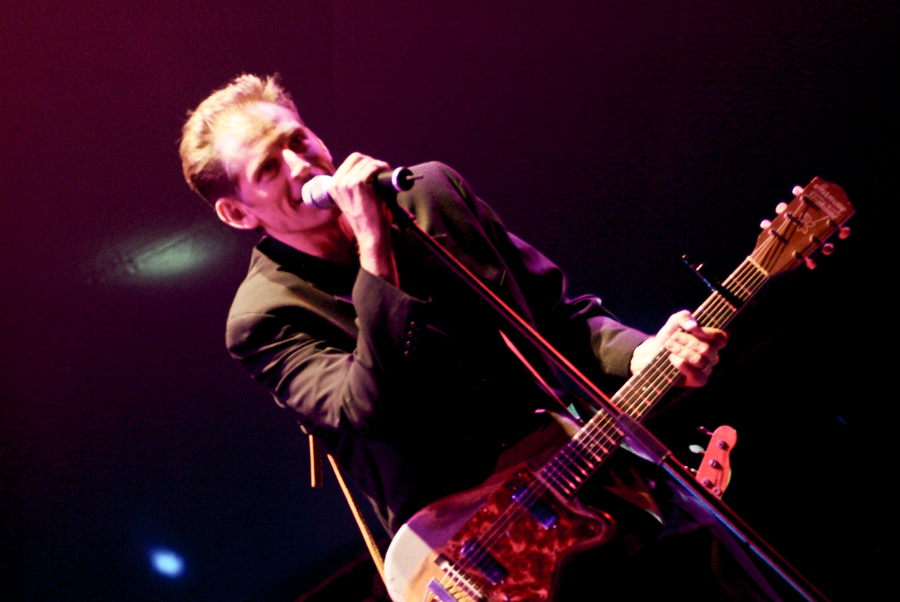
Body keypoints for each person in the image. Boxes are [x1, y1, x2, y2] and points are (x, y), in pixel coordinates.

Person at [179, 74, 731, 597]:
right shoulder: (263, 318)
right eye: (269, 168)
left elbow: (559, 320)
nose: (300, 166)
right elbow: (373, 406)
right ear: (236, 213)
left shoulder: (430, 194)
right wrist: (375, 250)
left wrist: (646, 353)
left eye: (298, 139)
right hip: (475, 560)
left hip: (594, 489)